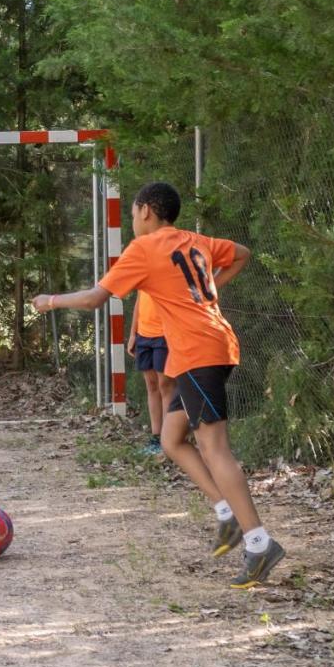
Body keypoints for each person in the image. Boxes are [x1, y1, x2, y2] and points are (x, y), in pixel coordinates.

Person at [32, 181, 284, 588]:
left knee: (214, 447)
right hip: (209, 346)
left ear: (146, 210)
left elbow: (97, 298)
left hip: (200, 353)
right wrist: (210, 292)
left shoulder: (145, 249)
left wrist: (51, 301)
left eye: (132, 213)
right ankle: (226, 514)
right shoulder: (194, 240)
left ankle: (259, 542)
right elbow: (242, 253)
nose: (132, 220)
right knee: (171, 439)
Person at [127, 291, 171, 457]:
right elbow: (139, 300)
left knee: (165, 385)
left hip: (164, 335)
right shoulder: (144, 271)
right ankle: (156, 437)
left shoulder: (170, 270)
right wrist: (133, 334)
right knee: (152, 386)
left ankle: (168, 442)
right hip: (143, 336)